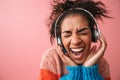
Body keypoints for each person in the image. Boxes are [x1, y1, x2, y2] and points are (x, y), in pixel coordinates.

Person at [39, 0, 111, 80]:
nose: (75, 41)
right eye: (67, 34)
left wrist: (90, 70)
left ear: (94, 35)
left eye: (83, 33)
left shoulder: (100, 62)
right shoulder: (51, 59)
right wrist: (74, 73)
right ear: (60, 40)